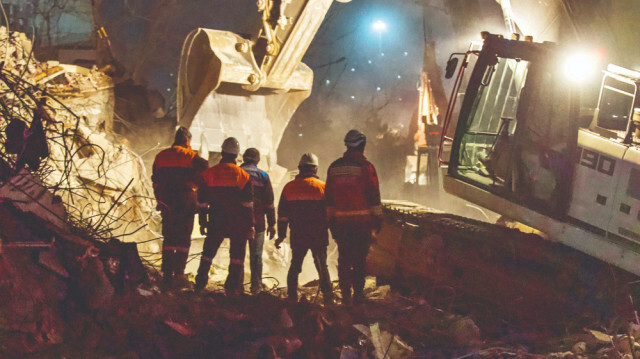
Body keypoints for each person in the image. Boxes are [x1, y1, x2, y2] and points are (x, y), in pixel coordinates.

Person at [325, 129, 382, 305]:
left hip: (341, 224)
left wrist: (331, 224)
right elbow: (374, 195)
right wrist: (378, 222)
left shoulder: (334, 167)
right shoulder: (366, 167)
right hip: (361, 224)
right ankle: (358, 295)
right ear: (362, 146)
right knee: (359, 260)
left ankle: (345, 295)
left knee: (344, 258)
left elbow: (328, 198)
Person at [195, 137, 254, 295]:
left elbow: (202, 201)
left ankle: (200, 283)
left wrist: (202, 221)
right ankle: (232, 288)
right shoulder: (243, 176)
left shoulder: (210, 173)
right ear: (236, 155)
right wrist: (250, 226)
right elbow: (248, 205)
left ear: (222, 152)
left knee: (208, 253)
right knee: (236, 256)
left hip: (216, 219)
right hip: (237, 222)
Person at [152, 126, 208, 289]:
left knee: (169, 237)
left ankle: (167, 273)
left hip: (167, 201)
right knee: (183, 239)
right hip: (186, 202)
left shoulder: (161, 156)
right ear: (187, 141)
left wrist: (159, 199)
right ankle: (179, 273)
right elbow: (205, 176)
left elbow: (156, 180)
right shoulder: (192, 157)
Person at [276, 153, 334, 304]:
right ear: (315, 169)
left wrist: (281, 235)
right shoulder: (323, 187)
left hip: (298, 234)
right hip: (318, 234)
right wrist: (334, 232)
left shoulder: (289, 187)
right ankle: (328, 299)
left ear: (300, 168)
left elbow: (282, 215)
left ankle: (292, 296)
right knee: (322, 266)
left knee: (295, 265)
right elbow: (330, 213)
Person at [240, 148, 276, 294]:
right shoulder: (263, 176)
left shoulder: (237, 173)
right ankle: (256, 286)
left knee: (237, 254)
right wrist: (272, 223)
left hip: (239, 221)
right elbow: (269, 202)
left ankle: (237, 284)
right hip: (258, 221)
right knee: (256, 255)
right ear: (257, 160)